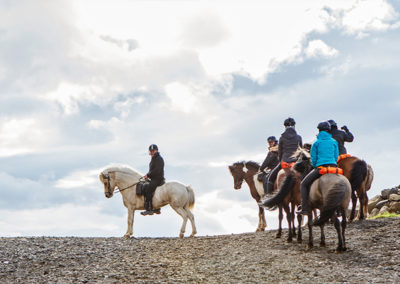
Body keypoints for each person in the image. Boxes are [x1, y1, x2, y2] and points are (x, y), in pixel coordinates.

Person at [296, 121, 339, 215]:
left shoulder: (316, 142)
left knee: (303, 184)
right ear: (328, 130)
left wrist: (315, 166)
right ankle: (339, 209)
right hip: (333, 167)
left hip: (321, 168)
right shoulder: (334, 142)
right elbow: (336, 156)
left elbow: (313, 158)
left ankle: (304, 208)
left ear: (319, 130)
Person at [265, 117, 302, 198]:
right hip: (295, 163)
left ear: (285, 126)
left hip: (284, 162)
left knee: (270, 179)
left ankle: (269, 198)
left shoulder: (282, 138)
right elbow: (300, 151)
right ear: (294, 125)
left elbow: (280, 152)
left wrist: (281, 160)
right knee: (306, 180)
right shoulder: (299, 137)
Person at [141, 144, 165, 216]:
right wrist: (148, 175)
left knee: (148, 189)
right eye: (150, 151)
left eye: (153, 151)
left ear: (156, 150)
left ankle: (149, 209)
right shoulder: (154, 158)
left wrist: (148, 175)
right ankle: (157, 208)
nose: (151, 152)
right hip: (154, 178)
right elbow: (153, 170)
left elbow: (157, 170)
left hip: (158, 179)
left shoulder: (159, 159)